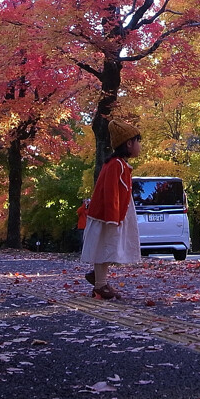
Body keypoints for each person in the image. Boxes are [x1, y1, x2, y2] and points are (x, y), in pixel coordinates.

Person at [80, 119, 143, 299]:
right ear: (129, 143)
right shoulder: (116, 165)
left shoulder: (119, 164)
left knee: (108, 245)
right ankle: (100, 284)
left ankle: (99, 277)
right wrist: (112, 218)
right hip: (107, 215)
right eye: (138, 141)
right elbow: (111, 191)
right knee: (106, 245)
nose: (140, 146)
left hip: (113, 213)